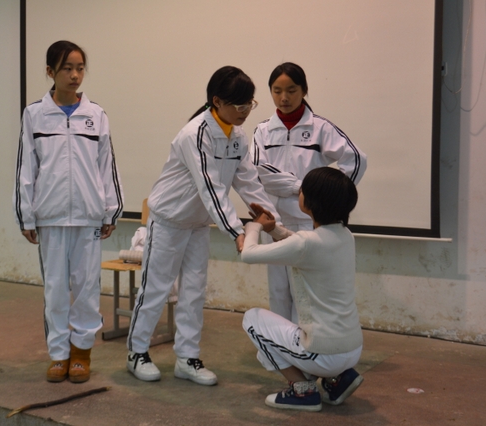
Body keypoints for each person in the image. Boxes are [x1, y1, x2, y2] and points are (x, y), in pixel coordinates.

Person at [126, 66, 280, 386]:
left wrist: (272, 221)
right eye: (239, 105)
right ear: (217, 101)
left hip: (198, 224)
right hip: (169, 221)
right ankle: (136, 352)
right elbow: (210, 188)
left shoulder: (237, 136)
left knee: (194, 292)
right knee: (155, 289)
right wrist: (236, 231)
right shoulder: (194, 134)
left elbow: (248, 182)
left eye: (249, 104)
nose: (245, 111)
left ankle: (187, 357)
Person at [13, 40, 124, 383]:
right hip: (50, 217)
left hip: (88, 217)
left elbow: (106, 166)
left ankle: (81, 353)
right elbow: (26, 169)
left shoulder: (96, 115)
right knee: (56, 291)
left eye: (80, 68)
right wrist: (26, 215)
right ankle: (59, 354)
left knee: (87, 290)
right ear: (50, 71)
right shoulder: (34, 114)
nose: (75, 75)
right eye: (67, 69)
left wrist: (111, 211)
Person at [251, 62, 367, 323]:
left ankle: (304, 342)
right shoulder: (262, 130)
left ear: (304, 90)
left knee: (303, 291)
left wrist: (329, 197)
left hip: (308, 222)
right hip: (274, 222)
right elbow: (258, 169)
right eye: (277, 91)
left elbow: (357, 159)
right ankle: (282, 343)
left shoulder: (320, 128)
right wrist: (301, 187)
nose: (284, 97)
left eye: (291, 90)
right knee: (278, 291)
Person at [241, 167, 363, 411]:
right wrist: (273, 228)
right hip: (352, 349)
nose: (300, 193)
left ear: (312, 201)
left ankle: (303, 390)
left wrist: (253, 227)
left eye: (302, 190)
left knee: (253, 321)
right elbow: (300, 245)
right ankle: (337, 380)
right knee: (286, 333)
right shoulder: (345, 235)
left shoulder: (307, 242)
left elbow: (249, 254)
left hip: (323, 353)